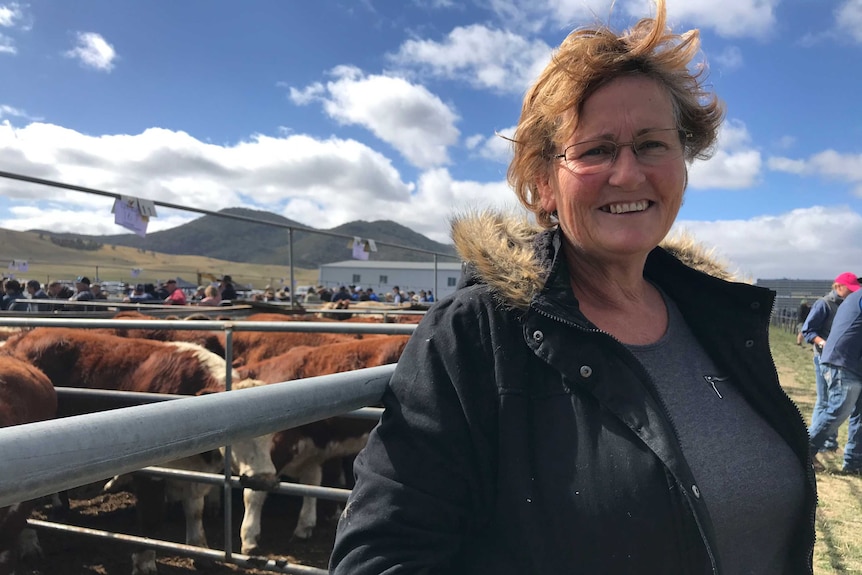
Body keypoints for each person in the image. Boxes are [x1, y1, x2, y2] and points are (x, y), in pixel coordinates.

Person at [329, 2, 815, 572]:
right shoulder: (478, 336)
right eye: (596, 150)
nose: (629, 173)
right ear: (543, 185)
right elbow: (379, 556)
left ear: (682, 163)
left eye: (653, 144)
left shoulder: (719, 317)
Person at [801, 272, 860, 453]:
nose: (852, 293)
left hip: (843, 357)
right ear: (838, 286)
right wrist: (822, 342)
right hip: (826, 356)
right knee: (826, 402)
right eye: (849, 290)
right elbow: (808, 330)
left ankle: (828, 443)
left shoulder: (848, 304)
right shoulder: (824, 304)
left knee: (832, 402)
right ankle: (813, 446)